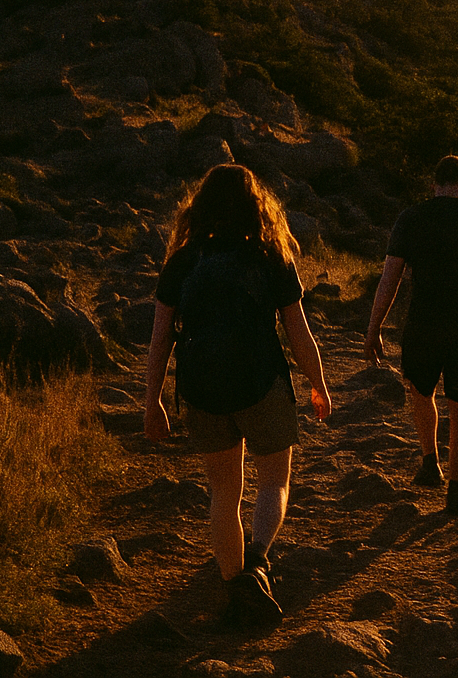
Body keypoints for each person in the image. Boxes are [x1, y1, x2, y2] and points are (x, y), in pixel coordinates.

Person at [143, 164, 332, 625]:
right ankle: (259, 561)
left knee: (224, 492)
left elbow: (161, 337)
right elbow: (298, 332)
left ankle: (234, 584)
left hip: (201, 386)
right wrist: (317, 382)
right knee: (275, 481)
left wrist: (153, 402)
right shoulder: (271, 255)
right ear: (256, 206)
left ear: (200, 206)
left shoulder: (182, 261)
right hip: (261, 381)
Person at [364, 155, 458, 514]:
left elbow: (391, 278)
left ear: (435, 184)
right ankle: (457, 488)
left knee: (420, 388)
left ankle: (430, 458)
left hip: (424, 322)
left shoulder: (411, 218)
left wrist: (374, 328)